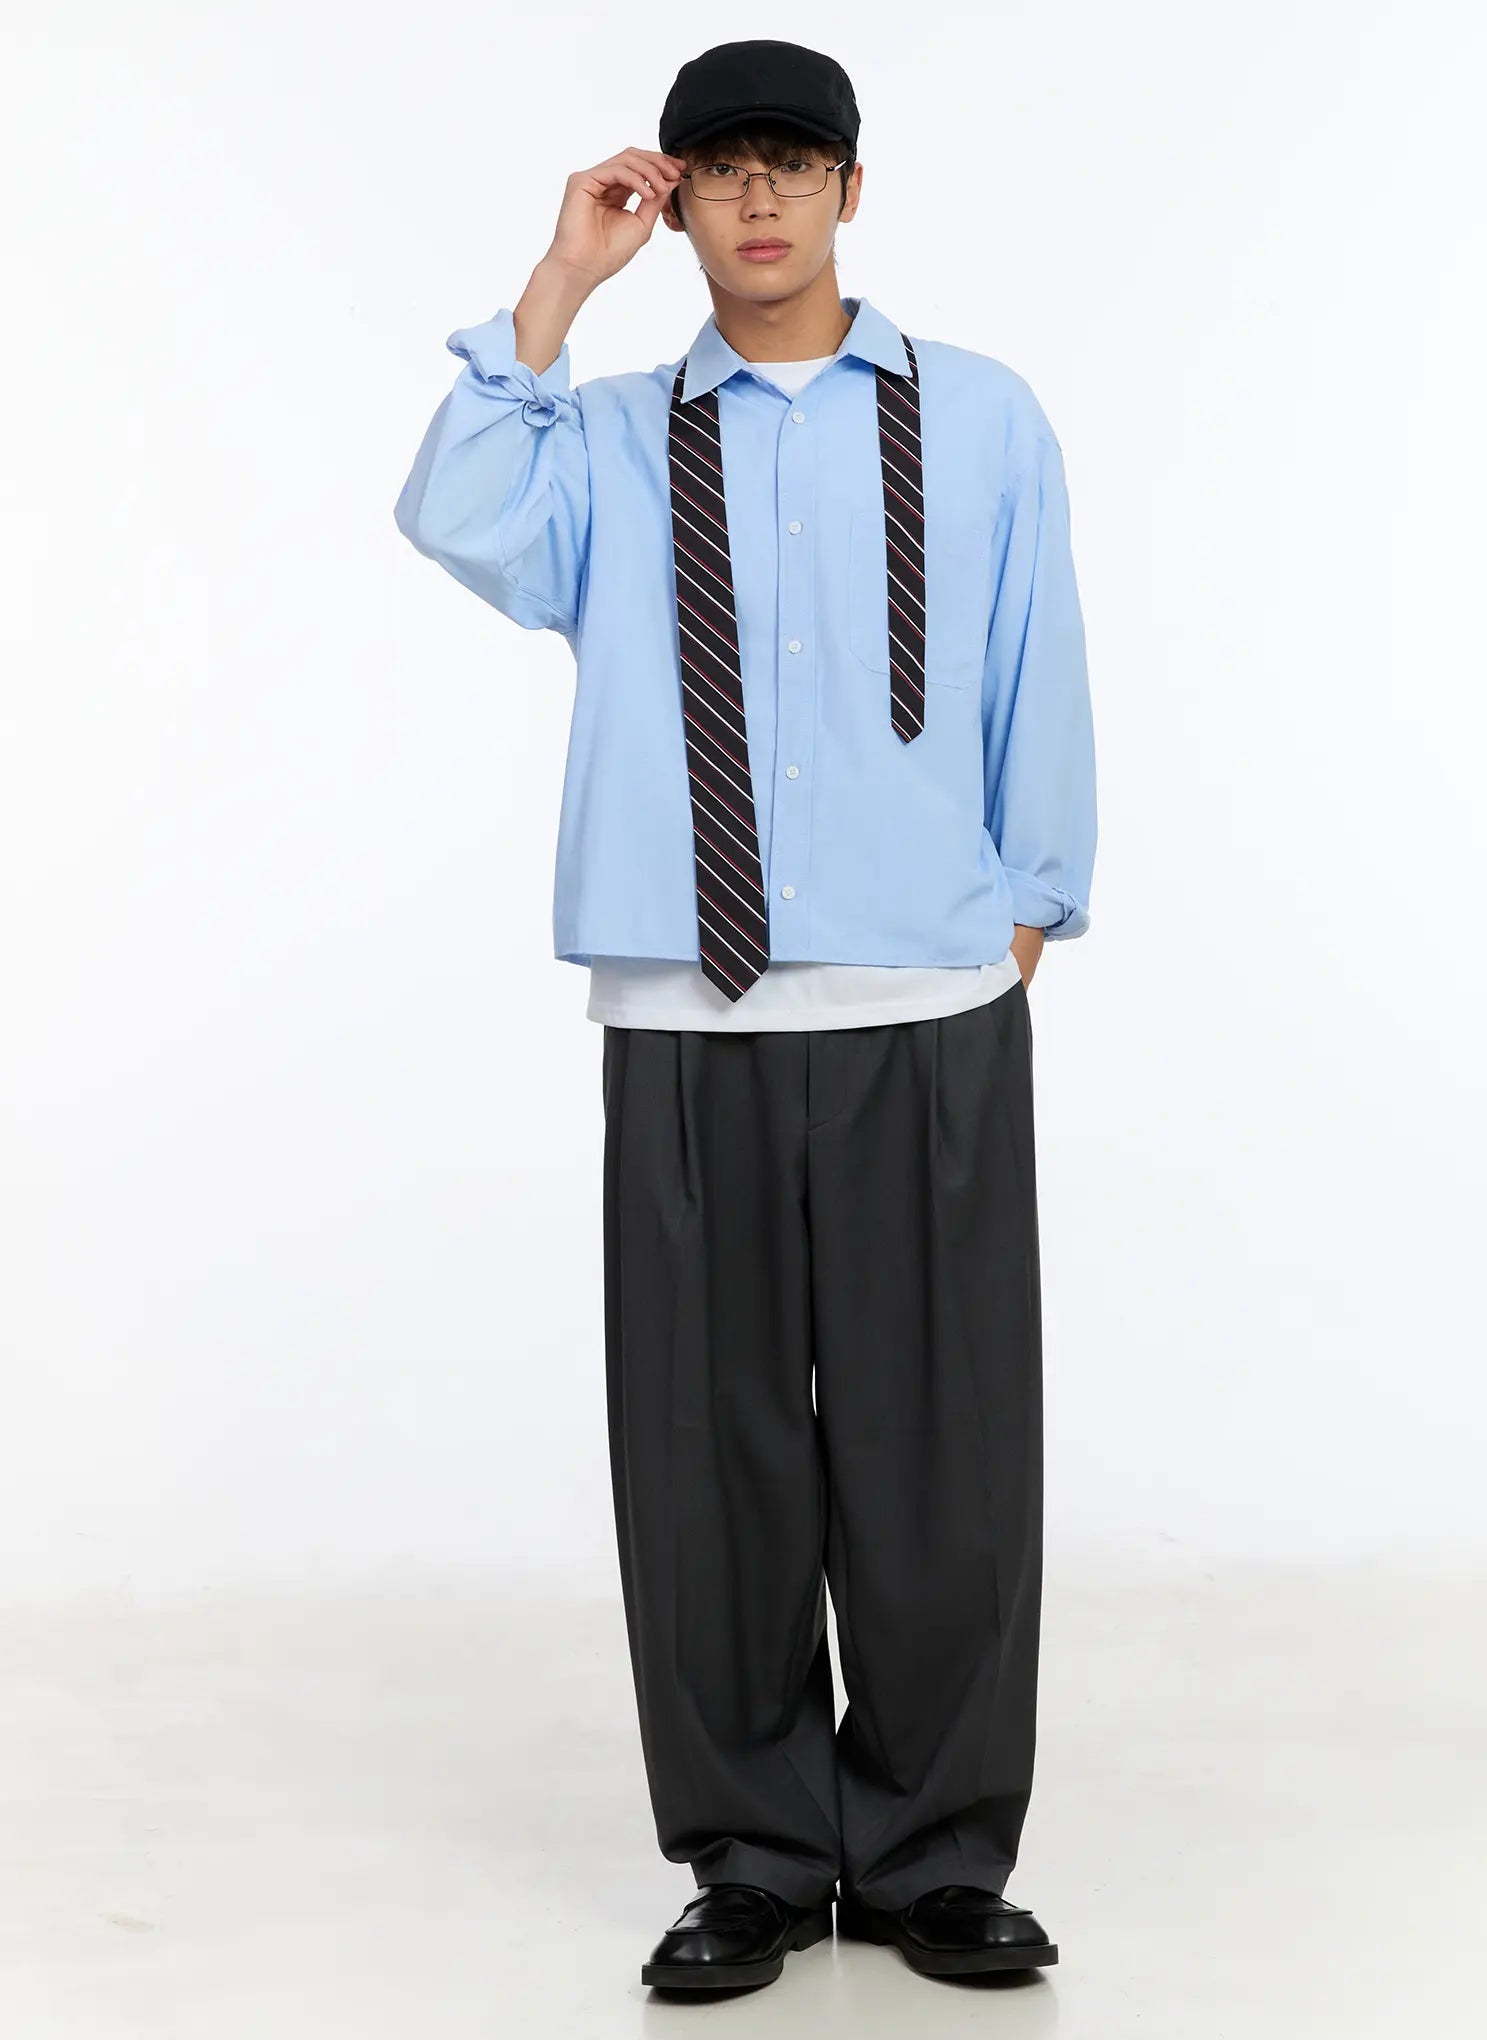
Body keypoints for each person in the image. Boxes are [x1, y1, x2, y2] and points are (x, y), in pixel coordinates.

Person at [394, 36, 1096, 1997]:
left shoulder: (983, 416)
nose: (762, 199)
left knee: (944, 1450)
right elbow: (454, 512)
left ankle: (940, 1854)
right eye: (722, 170)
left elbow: (1037, 657)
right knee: (709, 1461)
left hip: (924, 1001)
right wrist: (558, 283)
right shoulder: (609, 440)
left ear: (853, 189)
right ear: (679, 198)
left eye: (795, 164)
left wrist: (1026, 908)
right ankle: (756, 1857)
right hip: (690, 1018)